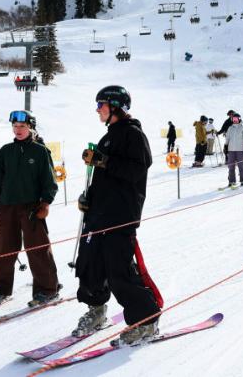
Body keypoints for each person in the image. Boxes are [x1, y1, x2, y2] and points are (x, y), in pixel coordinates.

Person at [74, 85, 162, 347]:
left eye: (101, 104)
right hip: (99, 216)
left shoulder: (134, 135)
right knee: (90, 267)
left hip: (120, 216)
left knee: (119, 272)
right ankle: (96, 311)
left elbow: (136, 171)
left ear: (116, 106)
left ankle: (146, 321)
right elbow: (105, 179)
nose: (97, 109)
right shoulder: (108, 137)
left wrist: (104, 161)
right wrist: (88, 199)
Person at [0, 110, 60, 307]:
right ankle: (0, 289)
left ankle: (47, 290)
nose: (18, 130)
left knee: (37, 249)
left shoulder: (40, 151)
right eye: (15, 126)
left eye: (22, 126)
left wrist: (45, 203)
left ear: (30, 128)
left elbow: (49, 182)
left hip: (31, 207)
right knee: (2, 249)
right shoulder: (5, 151)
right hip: (7, 206)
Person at [224, 113, 243, 187]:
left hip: (240, 150)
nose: (234, 120)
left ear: (239, 119)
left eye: (236, 119)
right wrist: (225, 146)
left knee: (241, 165)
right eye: (233, 119)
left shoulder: (242, 128)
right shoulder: (230, 128)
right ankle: (232, 181)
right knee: (231, 166)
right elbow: (227, 138)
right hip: (231, 150)